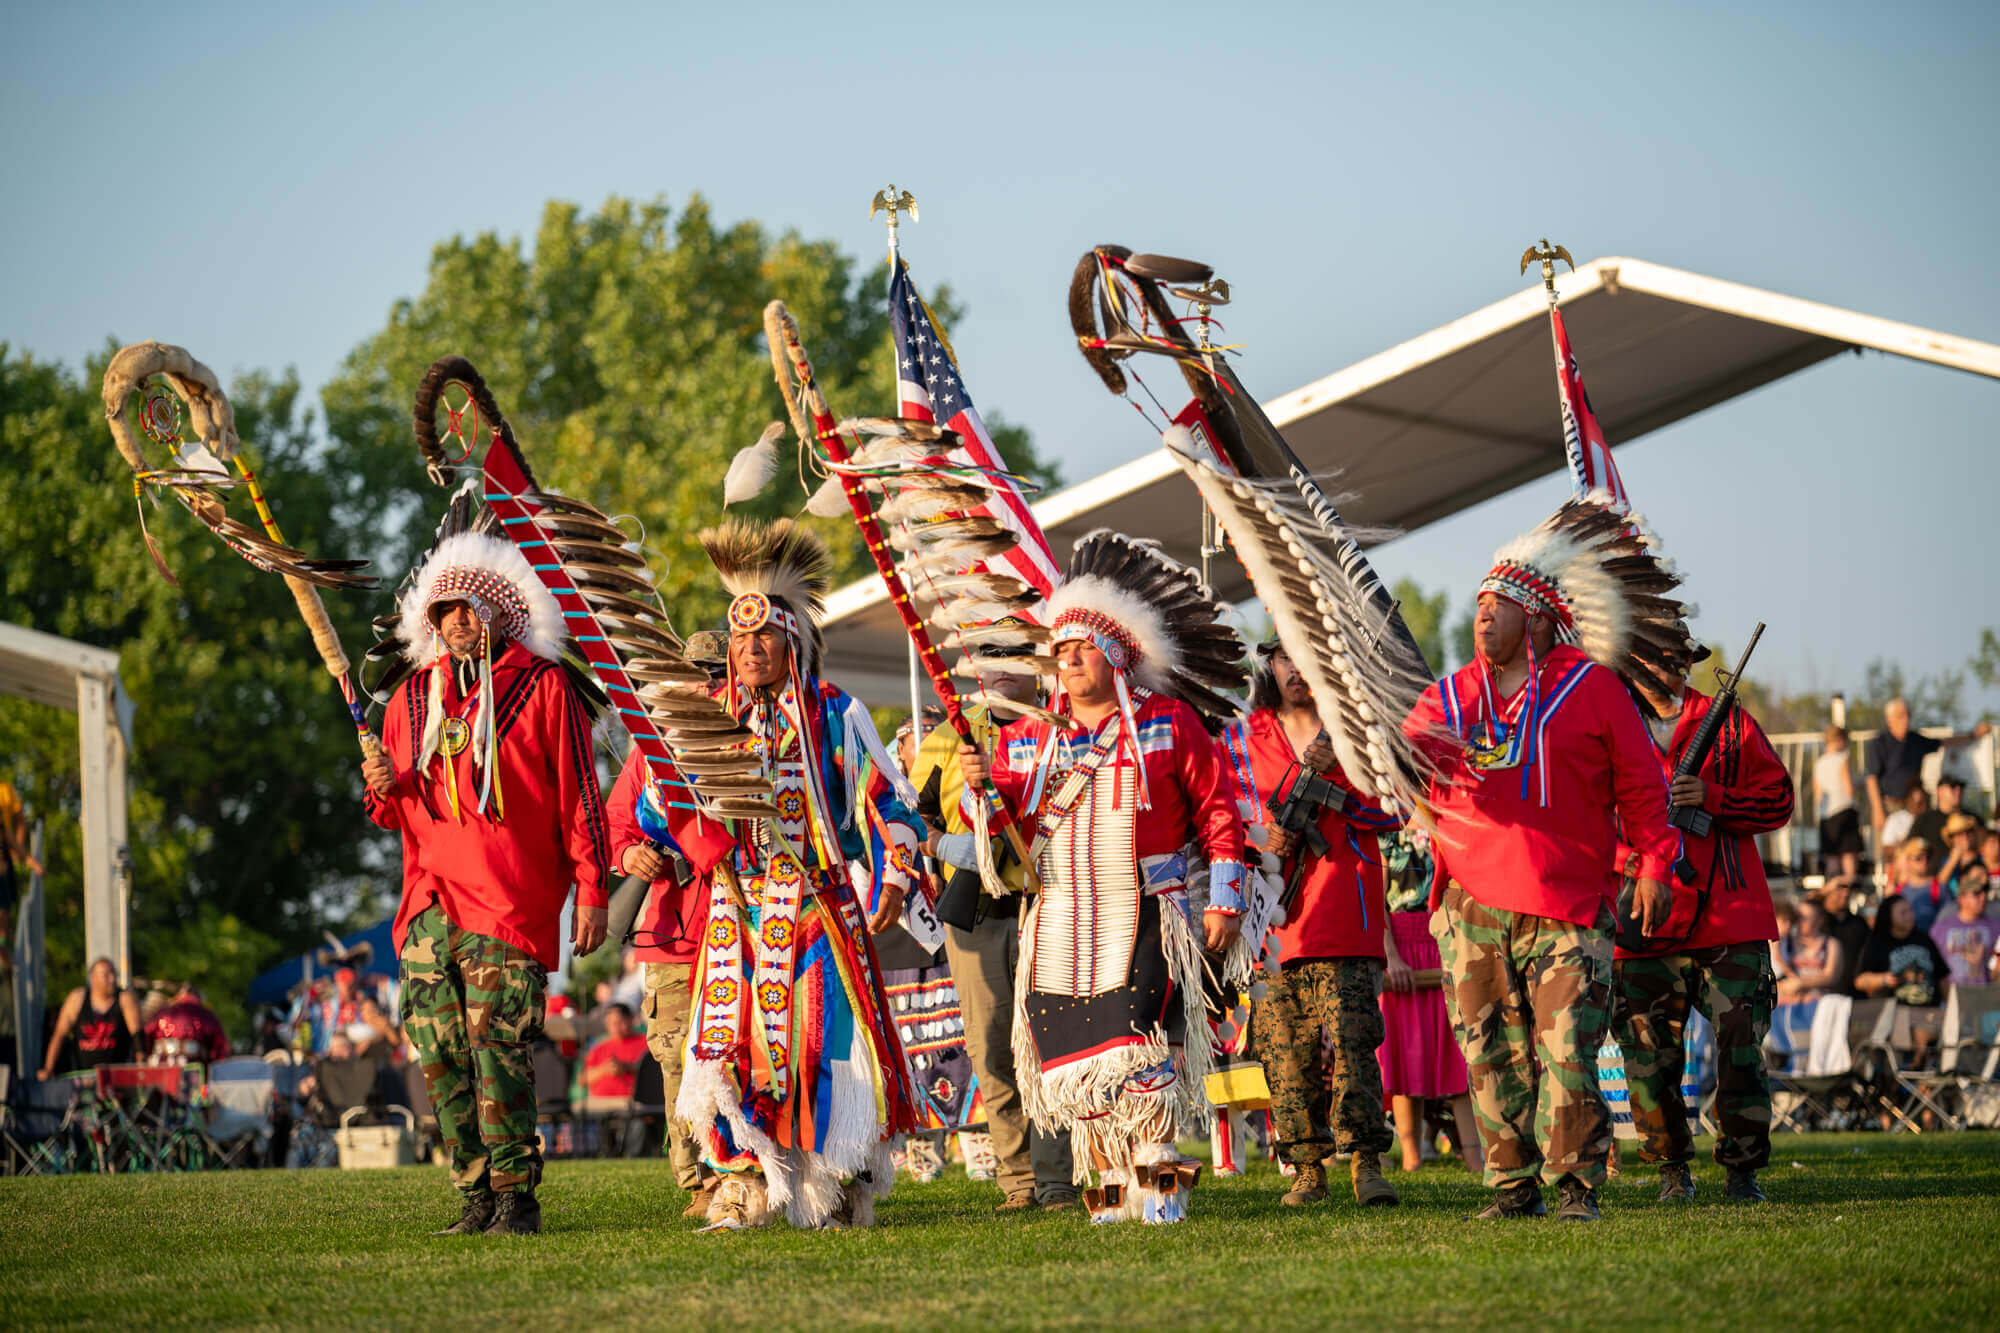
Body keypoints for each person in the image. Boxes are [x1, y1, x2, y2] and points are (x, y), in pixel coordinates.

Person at [1401, 501, 1687, 1223]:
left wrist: (1655, 864)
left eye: (1499, 605)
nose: (1482, 616)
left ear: (1536, 617)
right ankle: (1512, 1185)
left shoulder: (1590, 688)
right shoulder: (1450, 695)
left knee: (1567, 1050)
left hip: (1568, 901)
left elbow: (1643, 789)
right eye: (1478, 605)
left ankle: (1576, 1186)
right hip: (1469, 903)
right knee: (1489, 1051)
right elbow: (1403, 764)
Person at [958, 530, 1249, 1226]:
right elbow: (1012, 835)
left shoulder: (1169, 723)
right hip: (1058, 917)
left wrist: (1228, 898)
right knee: (1075, 1056)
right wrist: (981, 790)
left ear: (1116, 654)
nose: (1068, 659)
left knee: (1140, 1046)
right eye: (1059, 650)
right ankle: (1112, 1196)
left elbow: (1218, 810)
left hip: (1145, 906)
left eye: (1081, 646)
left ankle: (1163, 1192)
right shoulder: (1032, 737)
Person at [671, 520, 926, 1231]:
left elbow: (890, 798)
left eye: (765, 637)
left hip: (816, 902)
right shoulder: (708, 719)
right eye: (739, 638)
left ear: (792, 643)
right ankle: (742, 1186)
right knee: (725, 1043)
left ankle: (834, 1185)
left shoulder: (833, 711)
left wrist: (896, 877)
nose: (750, 650)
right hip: (737, 907)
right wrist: (673, 827)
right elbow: (667, 808)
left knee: (823, 1041)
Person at [362, 529, 617, 1237]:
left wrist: (593, 887)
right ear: (429, 621)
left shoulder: (544, 685)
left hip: (508, 896)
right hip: (428, 901)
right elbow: (392, 807)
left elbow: (580, 796)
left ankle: (515, 1196)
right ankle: (474, 1190)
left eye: (470, 606)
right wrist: (381, 783)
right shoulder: (408, 699)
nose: (458, 620)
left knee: (494, 1041)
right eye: (445, 610)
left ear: (501, 609)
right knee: (438, 1047)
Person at [1611, 663, 1795, 1205]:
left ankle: (1742, 1171)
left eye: (1675, 654)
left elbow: (1779, 800)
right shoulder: (1609, 724)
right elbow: (1591, 816)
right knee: (1647, 1054)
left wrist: (1713, 797)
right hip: (1645, 917)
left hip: (1729, 919)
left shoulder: (1731, 724)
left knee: (1740, 1048)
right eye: (1652, 654)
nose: (1664, 667)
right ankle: (1672, 1169)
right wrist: (1630, 863)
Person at [1227, 641, 1402, 1209]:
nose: (1296, 668)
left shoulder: (1354, 727)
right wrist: (1264, 842)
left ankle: (1366, 1162)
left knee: (1355, 1044)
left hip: (1345, 914)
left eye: (1307, 654)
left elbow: (1396, 807)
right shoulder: (1243, 736)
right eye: (1284, 657)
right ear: (1269, 665)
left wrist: (1341, 778)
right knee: (1283, 1051)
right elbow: (1222, 817)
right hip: (1273, 919)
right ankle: (1305, 1167)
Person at [910, 631, 1078, 1213]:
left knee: (1050, 1044)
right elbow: (903, 816)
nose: (1004, 671)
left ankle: (1058, 1180)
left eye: (1017, 659)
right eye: (991, 660)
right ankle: (1019, 1179)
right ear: (974, 673)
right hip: (977, 911)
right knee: (991, 1049)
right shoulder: (945, 740)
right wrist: (949, 848)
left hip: (1051, 906)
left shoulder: (1067, 733)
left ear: (1039, 669)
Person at [605, 745, 714, 1218]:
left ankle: (748, 1170)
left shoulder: (747, 729)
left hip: (742, 924)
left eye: (708, 669)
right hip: (670, 936)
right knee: (676, 1063)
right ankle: (700, 1182)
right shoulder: (650, 748)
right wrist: (630, 855)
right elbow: (614, 824)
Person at [1373, 830, 1483, 1175]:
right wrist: (1391, 956)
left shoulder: (1448, 828)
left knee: (1458, 1053)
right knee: (1408, 1056)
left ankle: (1476, 1159)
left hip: (1445, 937)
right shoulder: (1383, 836)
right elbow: (1377, 902)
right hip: (1403, 947)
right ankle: (1412, 1157)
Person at [1864, 698, 1989, 849]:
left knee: (1918, 846)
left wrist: (1973, 735)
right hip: (1890, 805)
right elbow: (1871, 779)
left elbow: (1944, 743)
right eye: (1900, 715)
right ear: (1889, 719)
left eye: (1908, 715)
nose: (1906, 719)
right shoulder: (1879, 744)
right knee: (1888, 848)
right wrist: (1878, 810)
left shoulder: (1915, 740)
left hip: (1915, 805)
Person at [1855, 895, 1950, 1066]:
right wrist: (1883, 979)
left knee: (1937, 1032)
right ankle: (1902, 1082)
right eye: (1903, 912)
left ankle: (1923, 1080)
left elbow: (1942, 977)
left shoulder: (1924, 939)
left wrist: (1951, 1006)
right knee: (1907, 1038)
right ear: (1889, 917)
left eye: (1910, 911)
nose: (1910, 916)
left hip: (1929, 1011)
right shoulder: (1877, 943)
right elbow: (1860, 980)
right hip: (1894, 1011)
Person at [41, 956, 142, 1076]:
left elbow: (137, 1036)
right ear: (93, 979)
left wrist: (141, 1066)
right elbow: (59, 1035)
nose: (112, 979)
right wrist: (48, 1068)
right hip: (84, 1076)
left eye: (113, 973)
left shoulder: (124, 998)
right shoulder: (77, 999)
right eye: (106, 975)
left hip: (117, 1076)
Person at [1931, 866, 1995, 985]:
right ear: (1962, 898)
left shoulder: (1996, 926)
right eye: (1976, 894)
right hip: (1952, 995)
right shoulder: (1941, 927)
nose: (1983, 897)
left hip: (1986, 996)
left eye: (1984, 893)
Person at [1813, 726, 1862, 879]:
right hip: (1844, 809)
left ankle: (1831, 890)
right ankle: (1849, 887)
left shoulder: (1819, 763)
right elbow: (1849, 789)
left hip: (1826, 815)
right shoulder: (1842, 760)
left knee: (1831, 857)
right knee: (1849, 855)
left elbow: (1818, 794)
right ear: (1840, 740)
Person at [1774, 900, 1846, 1004]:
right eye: (1797, 917)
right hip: (1790, 1004)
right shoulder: (1786, 942)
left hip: (1819, 1004)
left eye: (1805, 918)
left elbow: (1831, 977)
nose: (1798, 922)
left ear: (1819, 920)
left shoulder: (1831, 944)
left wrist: (1801, 983)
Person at [1812, 877, 1872, 996]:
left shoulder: (1859, 923)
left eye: (1848, 889)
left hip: (1855, 995)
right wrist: (1822, 891)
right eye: (1839, 889)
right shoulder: (1818, 922)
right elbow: (1804, 910)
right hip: (1824, 995)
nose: (1845, 893)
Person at [145, 985, 231, 1065]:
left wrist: (145, 1055)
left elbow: (146, 1035)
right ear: (199, 997)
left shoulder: (162, 1012)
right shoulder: (207, 1015)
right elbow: (221, 1047)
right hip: (194, 1067)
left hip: (162, 1064)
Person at [583, 1004, 648, 1099]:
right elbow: (583, 1079)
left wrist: (627, 1067)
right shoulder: (599, 1047)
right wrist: (603, 1070)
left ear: (630, 1019)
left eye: (620, 1022)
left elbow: (656, 1071)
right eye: (610, 1023)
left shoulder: (647, 1043)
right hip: (600, 1103)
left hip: (634, 1102)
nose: (615, 1026)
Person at [1893, 839, 1949, 935]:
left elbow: (1949, 921)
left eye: (1928, 857)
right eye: (1918, 858)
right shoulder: (1898, 890)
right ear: (1908, 861)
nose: (1924, 862)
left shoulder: (1940, 888)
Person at [1938, 811, 1985, 891]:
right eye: (1959, 833)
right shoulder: (1947, 861)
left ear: (1974, 834)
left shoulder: (1984, 857)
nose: (1965, 836)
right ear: (1952, 839)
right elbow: (1939, 884)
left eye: (1969, 831)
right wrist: (1953, 861)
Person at [1879, 781, 1921, 859]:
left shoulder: (1931, 819)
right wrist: (1906, 844)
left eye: (1921, 802)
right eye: (1914, 801)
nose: (1917, 806)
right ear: (1907, 799)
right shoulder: (1895, 819)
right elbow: (1886, 851)